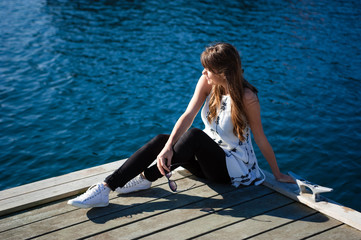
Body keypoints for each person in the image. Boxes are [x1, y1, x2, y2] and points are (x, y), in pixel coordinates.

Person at [68, 42, 295, 209]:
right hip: (206, 160)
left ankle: (145, 179)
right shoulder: (208, 82)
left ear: (223, 73)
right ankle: (106, 187)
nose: (203, 72)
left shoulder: (247, 98)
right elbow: (188, 115)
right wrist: (168, 147)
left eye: (208, 69)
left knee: (194, 135)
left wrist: (277, 174)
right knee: (161, 140)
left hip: (232, 169)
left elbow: (261, 138)